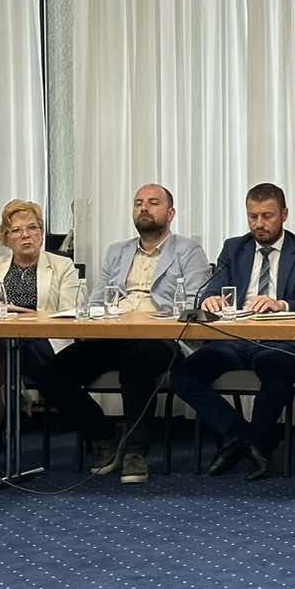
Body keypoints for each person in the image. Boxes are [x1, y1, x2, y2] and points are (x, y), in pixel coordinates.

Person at [34, 184, 210, 485]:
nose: (144, 208)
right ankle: (106, 435)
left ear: (170, 213)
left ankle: (135, 451)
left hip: (161, 337)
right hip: (114, 333)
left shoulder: (188, 250)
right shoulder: (117, 251)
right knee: (52, 374)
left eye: (153, 202)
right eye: (138, 203)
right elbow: (97, 300)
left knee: (137, 360)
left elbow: (196, 302)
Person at [170, 183, 295, 481]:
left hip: (276, 339)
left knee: (279, 369)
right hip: (232, 339)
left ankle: (255, 443)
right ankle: (241, 436)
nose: (259, 224)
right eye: (252, 216)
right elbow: (212, 288)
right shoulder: (234, 248)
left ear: (284, 214)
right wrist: (210, 299)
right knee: (182, 375)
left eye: (267, 216)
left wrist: (279, 304)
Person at [0, 199, 82, 468]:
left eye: (33, 228)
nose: (26, 235)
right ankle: (15, 393)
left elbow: (69, 313)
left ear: (42, 234)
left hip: (41, 343)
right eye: (16, 230)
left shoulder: (62, 266)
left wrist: (17, 312)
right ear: (6, 238)